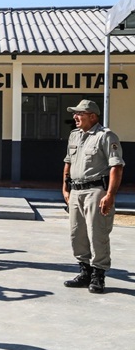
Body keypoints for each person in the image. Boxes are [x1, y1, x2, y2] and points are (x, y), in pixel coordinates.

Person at [62, 99, 124, 294]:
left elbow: (116, 166)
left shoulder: (106, 136)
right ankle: (85, 271)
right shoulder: (74, 135)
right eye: (75, 113)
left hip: (96, 191)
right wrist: (65, 188)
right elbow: (68, 162)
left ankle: (99, 274)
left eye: (79, 113)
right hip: (76, 191)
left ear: (92, 116)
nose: (75, 117)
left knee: (97, 233)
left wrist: (110, 195)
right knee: (76, 233)